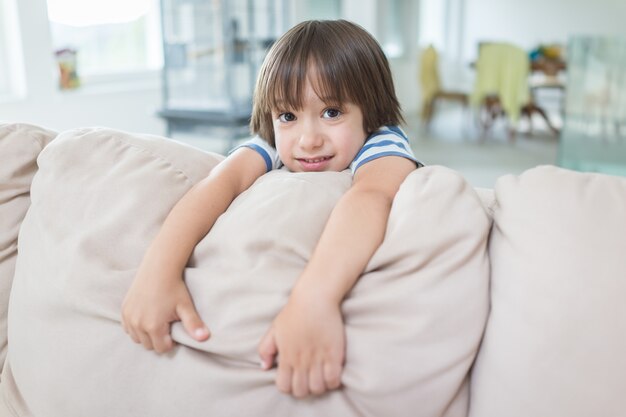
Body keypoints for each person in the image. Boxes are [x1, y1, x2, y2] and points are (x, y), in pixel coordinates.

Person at [121, 19, 422, 399]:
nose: (308, 139)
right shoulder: (273, 142)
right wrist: (156, 271)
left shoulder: (382, 140)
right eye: (288, 116)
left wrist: (314, 300)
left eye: (332, 112)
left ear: (372, 110)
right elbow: (218, 185)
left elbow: (371, 197)